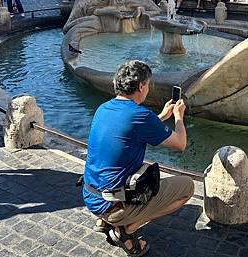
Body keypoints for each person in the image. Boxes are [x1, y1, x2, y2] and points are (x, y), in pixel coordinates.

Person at [83, 61, 194, 256]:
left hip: (90, 196)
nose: (148, 88)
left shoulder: (104, 108)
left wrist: (160, 117)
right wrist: (178, 116)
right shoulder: (141, 115)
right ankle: (128, 229)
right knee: (187, 187)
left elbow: (129, 130)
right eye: (148, 84)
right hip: (113, 205)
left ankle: (106, 220)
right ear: (141, 86)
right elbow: (180, 143)